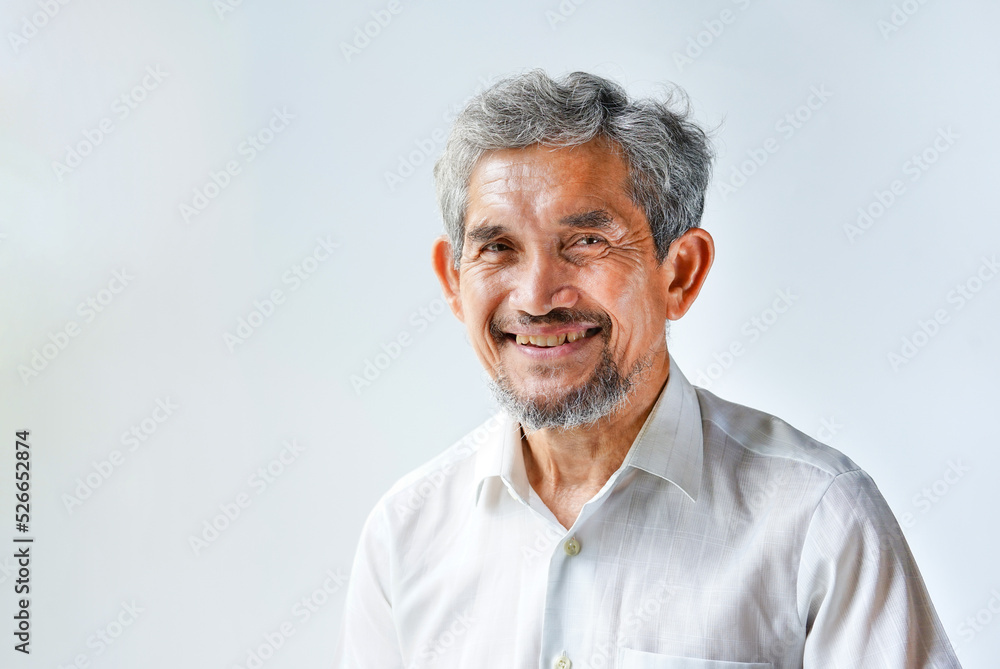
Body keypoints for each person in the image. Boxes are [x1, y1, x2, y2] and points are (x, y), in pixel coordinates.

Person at [334, 70, 961, 668]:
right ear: (454, 279)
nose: (536, 296)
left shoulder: (817, 519)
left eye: (586, 243)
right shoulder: (404, 532)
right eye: (498, 248)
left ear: (679, 273)